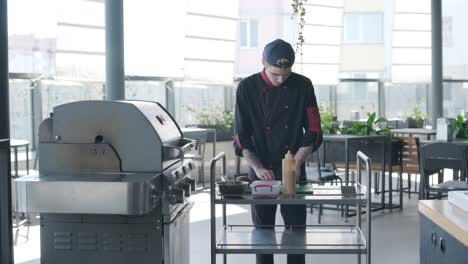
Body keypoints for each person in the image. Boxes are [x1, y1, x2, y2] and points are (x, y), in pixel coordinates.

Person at [233, 39, 323, 264]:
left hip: (293, 164)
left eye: (286, 73)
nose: (281, 79)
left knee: (296, 232)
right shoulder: (247, 88)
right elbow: (241, 137)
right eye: (275, 74)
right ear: (263, 62)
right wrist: (258, 167)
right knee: (263, 233)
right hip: (261, 168)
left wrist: (295, 163)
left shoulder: (303, 85)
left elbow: (313, 128)